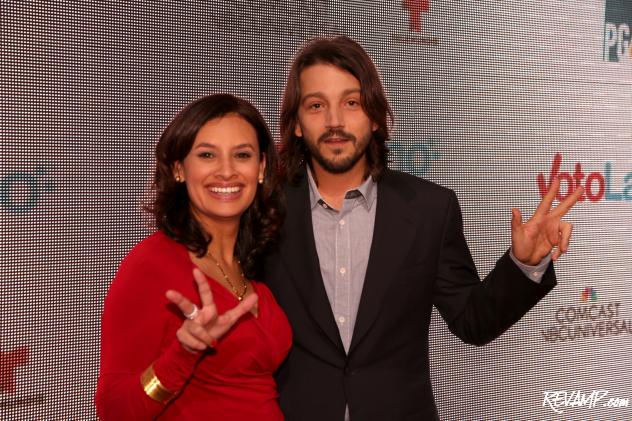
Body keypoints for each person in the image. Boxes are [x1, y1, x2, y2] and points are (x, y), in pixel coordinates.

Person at [263, 36, 584, 421]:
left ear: (376, 116)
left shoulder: (431, 208)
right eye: (316, 105)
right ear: (296, 124)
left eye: (351, 102)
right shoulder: (263, 210)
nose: (335, 121)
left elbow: (472, 321)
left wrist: (523, 264)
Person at [95, 93, 291, 420]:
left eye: (241, 155)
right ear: (178, 170)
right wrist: (183, 353)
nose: (226, 171)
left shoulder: (256, 263)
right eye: (207, 155)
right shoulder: (151, 265)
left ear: (261, 168)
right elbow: (114, 410)